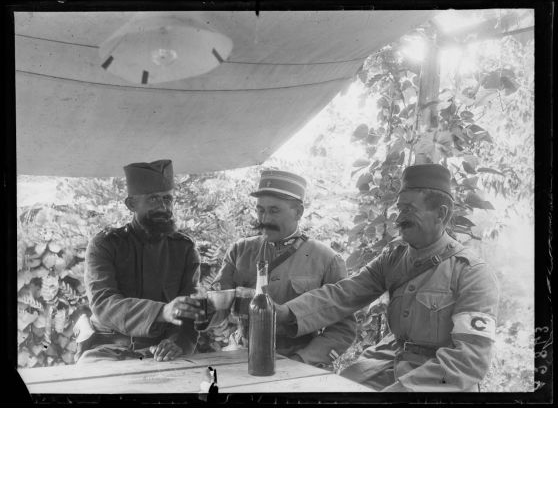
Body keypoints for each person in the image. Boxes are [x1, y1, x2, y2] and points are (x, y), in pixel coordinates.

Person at [275, 164, 499, 392]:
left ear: (441, 213)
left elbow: (468, 361)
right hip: (387, 363)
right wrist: (287, 313)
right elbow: (345, 294)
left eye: (409, 210)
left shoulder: (472, 273)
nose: (400, 218)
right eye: (400, 209)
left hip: (438, 380)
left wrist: (404, 390)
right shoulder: (393, 259)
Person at [214, 169, 356, 367]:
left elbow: (343, 329)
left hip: (297, 362)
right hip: (242, 358)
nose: (265, 219)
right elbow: (217, 305)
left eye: (274, 211)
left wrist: (302, 361)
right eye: (260, 210)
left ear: (298, 212)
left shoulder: (327, 260)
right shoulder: (240, 250)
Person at [76, 159, 205, 363]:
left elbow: (188, 314)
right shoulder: (105, 245)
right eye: (153, 199)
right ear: (131, 204)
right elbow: (103, 303)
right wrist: (162, 311)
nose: (163, 206)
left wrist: (177, 343)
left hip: (159, 351)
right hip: (108, 348)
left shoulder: (184, 249)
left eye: (167, 199)